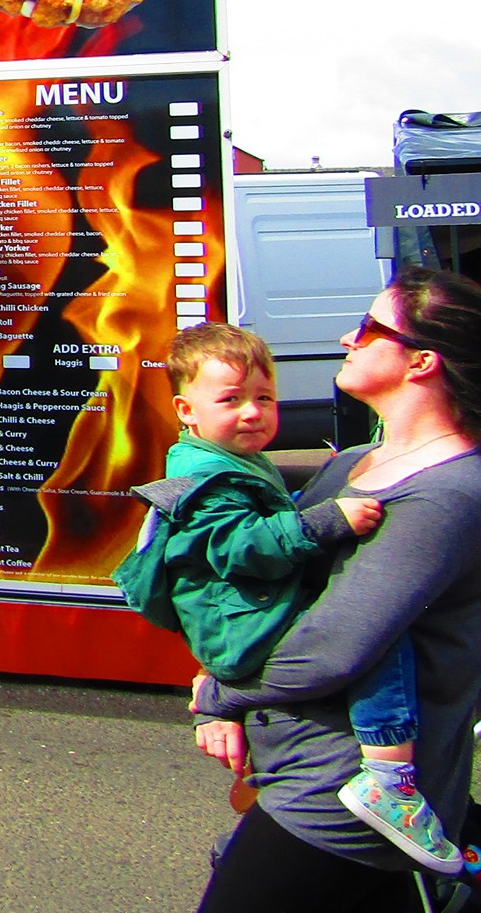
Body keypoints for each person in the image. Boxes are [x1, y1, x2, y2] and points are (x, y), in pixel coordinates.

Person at [179, 268, 481, 913]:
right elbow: (269, 592)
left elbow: (333, 647)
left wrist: (219, 693)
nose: (348, 337)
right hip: (304, 763)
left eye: (371, 327)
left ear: (420, 360)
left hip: (349, 792)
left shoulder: (444, 495)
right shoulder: (353, 464)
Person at [116, 323, 458, 873]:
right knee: (378, 643)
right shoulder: (208, 478)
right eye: (231, 400)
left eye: (265, 398)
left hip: (239, 622)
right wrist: (324, 519)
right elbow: (239, 547)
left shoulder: (228, 461)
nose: (253, 412)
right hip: (247, 624)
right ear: (186, 410)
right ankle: (389, 778)